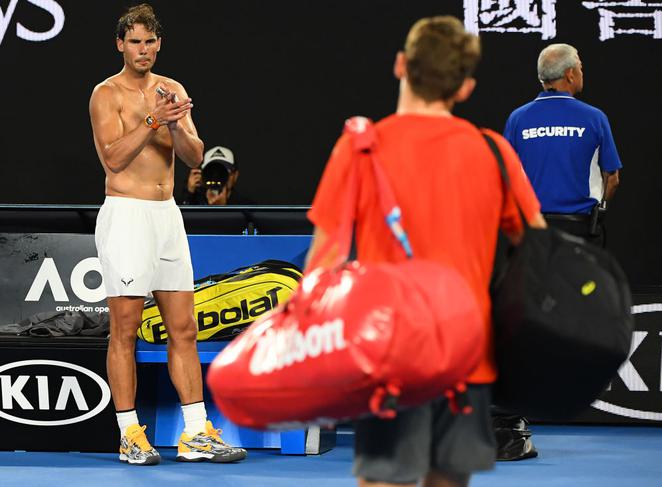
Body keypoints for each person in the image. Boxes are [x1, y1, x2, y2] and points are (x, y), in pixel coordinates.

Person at [305, 16, 546, 487]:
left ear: (400, 65)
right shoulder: (494, 151)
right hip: (467, 358)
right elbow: (540, 250)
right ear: (465, 88)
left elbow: (323, 264)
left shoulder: (359, 150)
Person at [89, 4, 246, 465]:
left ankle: (196, 433)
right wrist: (154, 120)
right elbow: (114, 159)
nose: (144, 50)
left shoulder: (172, 89)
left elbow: (195, 157)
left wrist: (175, 122)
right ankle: (129, 434)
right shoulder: (106, 94)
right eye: (135, 42)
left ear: (159, 45)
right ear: (121, 45)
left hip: (167, 216)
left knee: (184, 328)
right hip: (127, 216)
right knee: (126, 329)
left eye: (151, 42)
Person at [503, 43, 622, 247]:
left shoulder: (517, 119)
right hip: (581, 230)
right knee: (582, 280)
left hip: (533, 230)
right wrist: (599, 212)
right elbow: (612, 179)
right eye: (580, 67)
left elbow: (506, 175)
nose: (582, 73)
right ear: (570, 74)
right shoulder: (594, 118)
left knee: (536, 280)